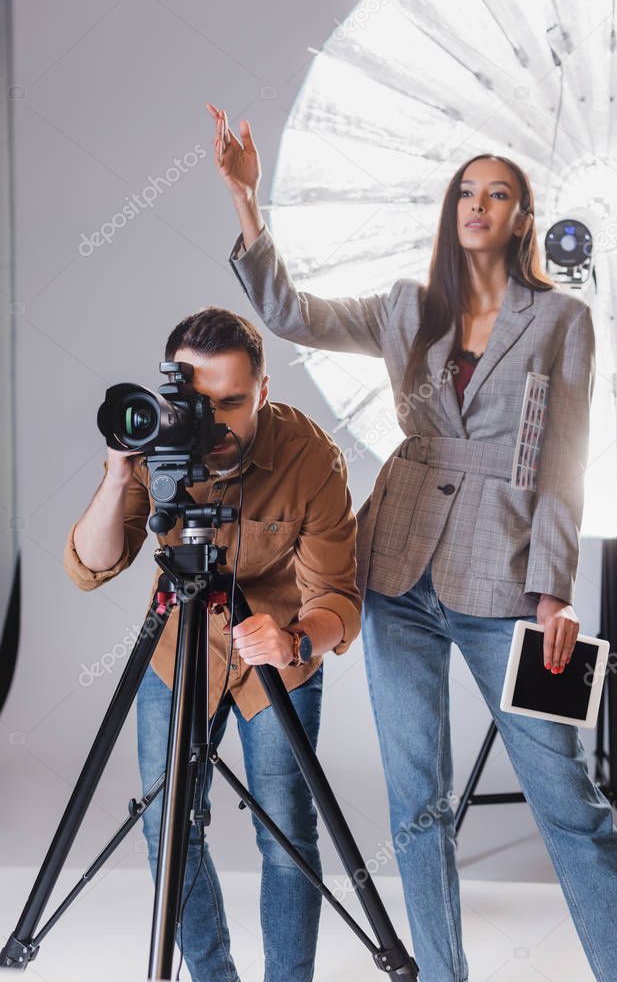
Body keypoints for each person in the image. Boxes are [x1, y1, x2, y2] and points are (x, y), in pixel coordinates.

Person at [206, 102, 617, 982]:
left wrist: (553, 589)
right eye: (466, 192)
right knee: (417, 807)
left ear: (521, 218)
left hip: (505, 582)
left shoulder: (560, 318)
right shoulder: (405, 306)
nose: (478, 205)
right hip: (395, 574)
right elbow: (288, 312)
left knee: (568, 804)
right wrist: (245, 202)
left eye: (497, 194)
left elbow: (563, 461)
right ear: (451, 210)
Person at [63, 307, 362, 982]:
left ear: (262, 389)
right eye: (200, 403)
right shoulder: (161, 446)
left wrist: (292, 639)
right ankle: (212, 975)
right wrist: (117, 473)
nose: (215, 423)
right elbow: (89, 566)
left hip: (276, 656)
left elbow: (339, 599)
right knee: (164, 826)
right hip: (179, 647)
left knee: (285, 834)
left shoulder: (309, 456)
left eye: (232, 401)